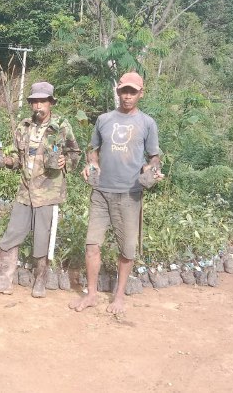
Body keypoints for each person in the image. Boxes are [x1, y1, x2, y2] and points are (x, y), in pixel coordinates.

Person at [69, 72, 163, 314]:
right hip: (101, 192)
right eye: (124, 91)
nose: (127, 96)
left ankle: (119, 297)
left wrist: (152, 170)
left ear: (141, 93)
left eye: (133, 92)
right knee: (92, 245)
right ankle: (91, 294)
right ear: (118, 92)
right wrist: (92, 165)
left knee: (127, 249)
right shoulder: (104, 120)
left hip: (130, 194)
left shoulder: (147, 123)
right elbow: (93, 150)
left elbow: (154, 157)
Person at [0, 81, 81, 298]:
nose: (38, 106)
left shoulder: (61, 126)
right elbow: (18, 158)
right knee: (11, 234)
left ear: (51, 103)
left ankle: (40, 281)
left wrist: (65, 161)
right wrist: (6, 161)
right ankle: (3, 281)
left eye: (43, 101)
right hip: (25, 191)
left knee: (42, 238)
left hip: (48, 192)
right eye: (35, 102)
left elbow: (75, 153)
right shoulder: (24, 127)